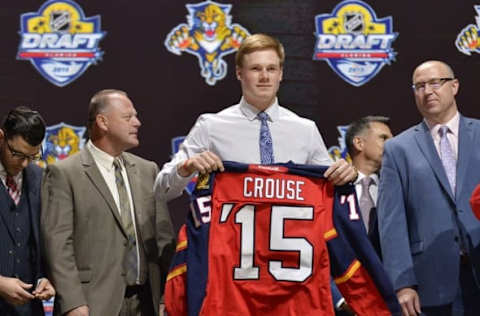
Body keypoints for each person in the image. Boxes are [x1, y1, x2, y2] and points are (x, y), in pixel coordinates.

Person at [155, 33, 358, 314]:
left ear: (281, 74)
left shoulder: (305, 130)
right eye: (255, 69)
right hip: (231, 277)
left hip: (292, 275)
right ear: (239, 73)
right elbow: (162, 189)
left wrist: (345, 175)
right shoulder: (212, 126)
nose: (264, 77)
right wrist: (185, 168)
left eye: (271, 69)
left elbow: (327, 191)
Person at [41, 90, 175, 316]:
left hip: (146, 303)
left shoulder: (148, 170)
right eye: (128, 117)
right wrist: (73, 302)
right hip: (93, 304)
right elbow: (58, 244)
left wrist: (166, 296)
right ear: (102, 122)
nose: (137, 122)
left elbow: (163, 240)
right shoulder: (65, 173)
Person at [377, 60, 480, 316]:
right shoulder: (398, 149)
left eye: (436, 82)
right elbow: (391, 222)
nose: (428, 91)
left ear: (454, 86)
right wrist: (402, 283)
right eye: (419, 86)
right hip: (431, 280)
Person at [0, 107, 55, 315]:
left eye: (32, 156)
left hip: (28, 310)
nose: (24, 164)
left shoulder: (39, 178)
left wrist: (46, 278)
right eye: (17, 154)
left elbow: (41, 244)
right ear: (1, 137)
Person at [345, 115, 392, 257]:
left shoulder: (395, 190)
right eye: (384, 138)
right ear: (359, 143)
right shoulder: (332, 190)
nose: (393, 144)